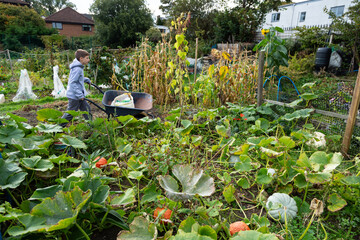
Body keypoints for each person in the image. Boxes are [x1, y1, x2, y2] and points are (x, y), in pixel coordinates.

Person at [60, 49, 92, 127]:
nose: (88, 60)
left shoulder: (78, 67)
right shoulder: (77, 69)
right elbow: (72, 82)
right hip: (75, 96)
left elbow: (77, 79)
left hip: (78, 95)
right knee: (70, 114)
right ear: (81, 58)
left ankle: (91, 126)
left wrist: (85, 79)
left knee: (86, 109)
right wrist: (80, 95)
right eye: (87, 58)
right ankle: (58, 127)